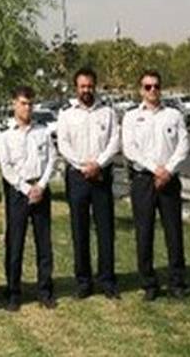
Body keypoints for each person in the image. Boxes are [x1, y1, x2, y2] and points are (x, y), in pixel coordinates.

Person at [122, 70, 190, 301]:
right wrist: (155, 169)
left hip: (169, 181)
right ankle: (149, 284)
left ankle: (177, 282)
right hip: (143, 181)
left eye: (156, 86)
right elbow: (130, 149)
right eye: (147, 86)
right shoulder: (131, 117)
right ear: (140, 90)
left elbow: (183, 146)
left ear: (161, 89)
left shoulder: (173, 115)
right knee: (144, 233)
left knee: (174, 233)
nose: (152, 90)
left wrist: (167, 170)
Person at [57, 67, 121, 299]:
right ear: (76, 88)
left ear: (95, 86)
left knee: (105, 230)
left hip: (101, 176)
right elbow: (63, 144)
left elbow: (114, 141)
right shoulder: (66, 114)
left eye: (90, 86)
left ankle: (107, 280)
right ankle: (83, 282)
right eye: (82, 86)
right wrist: (83, 166)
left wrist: (98, 164)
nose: (86, 90)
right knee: (79, 230)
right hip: (78, 177)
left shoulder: (108, 112)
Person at [0, 85, 57, 311]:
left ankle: (45, 291)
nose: (27, 108)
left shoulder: (42, 131)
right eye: (23, 103)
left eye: (30, 104)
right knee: (15, 243)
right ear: (14, 104)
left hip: (40, 189)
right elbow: (6, 167)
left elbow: (52, 159)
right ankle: (13, 292)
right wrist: (25, 188)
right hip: (18, 192)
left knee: (44, 243)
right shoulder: (4, 134)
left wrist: (41, 185)